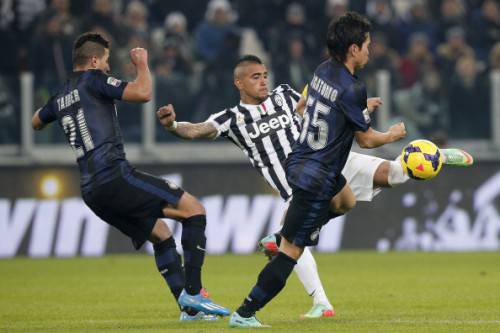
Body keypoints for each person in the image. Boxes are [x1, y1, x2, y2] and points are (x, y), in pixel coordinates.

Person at [157, 50, 473, 323]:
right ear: (238, 83)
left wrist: (357, 110)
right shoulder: (232, 117)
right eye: (255, 77)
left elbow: (316, 107)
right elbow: (196, 130)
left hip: (331, 158)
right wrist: (172, 124)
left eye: (264, 75)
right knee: (295, 243)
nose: (263, 81)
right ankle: (321, 302)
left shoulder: (283, 93)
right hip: (299, 184)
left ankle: (435, 155)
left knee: (394, 174)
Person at [31, 32, 229, 321]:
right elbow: (143, 93)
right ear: (94, 61)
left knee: (161, 234)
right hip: (113, 176)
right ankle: (195, 293)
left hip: (92, 191)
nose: (109, 67)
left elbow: (36, 121)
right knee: (194, 210)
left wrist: (55, 108)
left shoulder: (61, 94)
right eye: (107, 61)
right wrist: (142, 64)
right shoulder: (95, 79)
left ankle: (189, 311)